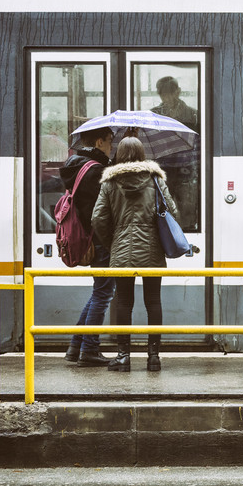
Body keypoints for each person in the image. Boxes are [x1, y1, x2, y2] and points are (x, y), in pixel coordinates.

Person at [91, 136, 180, 373]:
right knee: (153, 301)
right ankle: (154, 357)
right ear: (142, 154)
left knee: (123, 302)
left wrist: (113, 242)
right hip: (153, 249)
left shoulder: (109, 183)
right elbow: (172, 211)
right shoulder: (155, 180)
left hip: (121, 250)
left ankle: (123, 357)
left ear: (119, 155)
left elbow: (98, 219)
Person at [60, 126, 115, 368]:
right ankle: (89, 348)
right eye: (111, 141)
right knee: (103, 294)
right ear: (100, 141)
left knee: (98, 292)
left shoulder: (78, 166)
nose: (112, 146)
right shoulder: (96, 171)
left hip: (89, 238)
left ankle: (76, 346)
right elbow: (101, 212)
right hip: (101, 240)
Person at [150, 76, 200, 230]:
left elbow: (198, 143)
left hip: (187, 167)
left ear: (178, 92)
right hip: (162, 168)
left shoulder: (193, 115)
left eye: (171, 93)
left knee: (187, 208)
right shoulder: (153, 115)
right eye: (163, 95)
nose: (168, 98)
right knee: (163, 208)